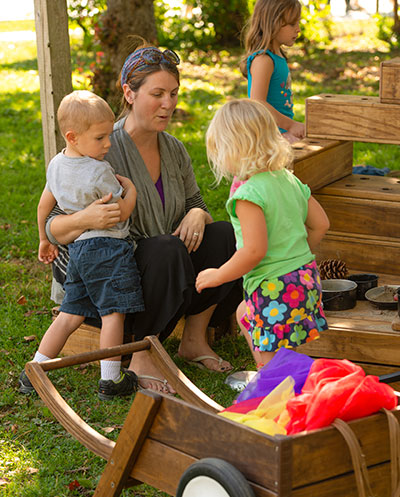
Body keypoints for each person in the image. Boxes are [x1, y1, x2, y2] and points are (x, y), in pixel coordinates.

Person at [42, 41, 243, 393]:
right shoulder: (101, 146)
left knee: (226, 234)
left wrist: (197, 213)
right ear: (129, 93)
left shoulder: (174, 148)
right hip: (111, 289)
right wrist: (87, 217)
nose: (168, 104)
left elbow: (195, 202)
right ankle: (141, 354)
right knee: (166, 249)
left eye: (174, 93)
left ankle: (193, 340)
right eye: (158, 93)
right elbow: (53, 226)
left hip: (167, 274)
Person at [19, 90, 144, 400]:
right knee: (113, 313)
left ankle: (34, 371)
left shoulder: (56, 165)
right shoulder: (99, 171)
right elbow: (122, 211)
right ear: (72, 136)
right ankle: (111, 380)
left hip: (78, 252)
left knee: (70, 313)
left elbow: (43, 207)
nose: (108, 144)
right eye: (100, 138)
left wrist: (44, 238)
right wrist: (132, 189)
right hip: (109, 251)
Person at [196, 98, 329, 368]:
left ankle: (276, 397)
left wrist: (218, 275)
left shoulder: (248, 195)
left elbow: (254, 251)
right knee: (245, 313)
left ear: (236, 148)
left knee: (271, 360)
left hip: (274, 287)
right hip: (305, 278)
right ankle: (279, 380)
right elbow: (321, 224)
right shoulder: (289, 179)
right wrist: (296, 256)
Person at [240, 0, 305, 143]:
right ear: (273, 23)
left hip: (280, 132)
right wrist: (291, 125)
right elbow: (258, 102)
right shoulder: (263, 60)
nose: (298, 29)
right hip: (268, 137)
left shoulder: (277, 57)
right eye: (292, 24)